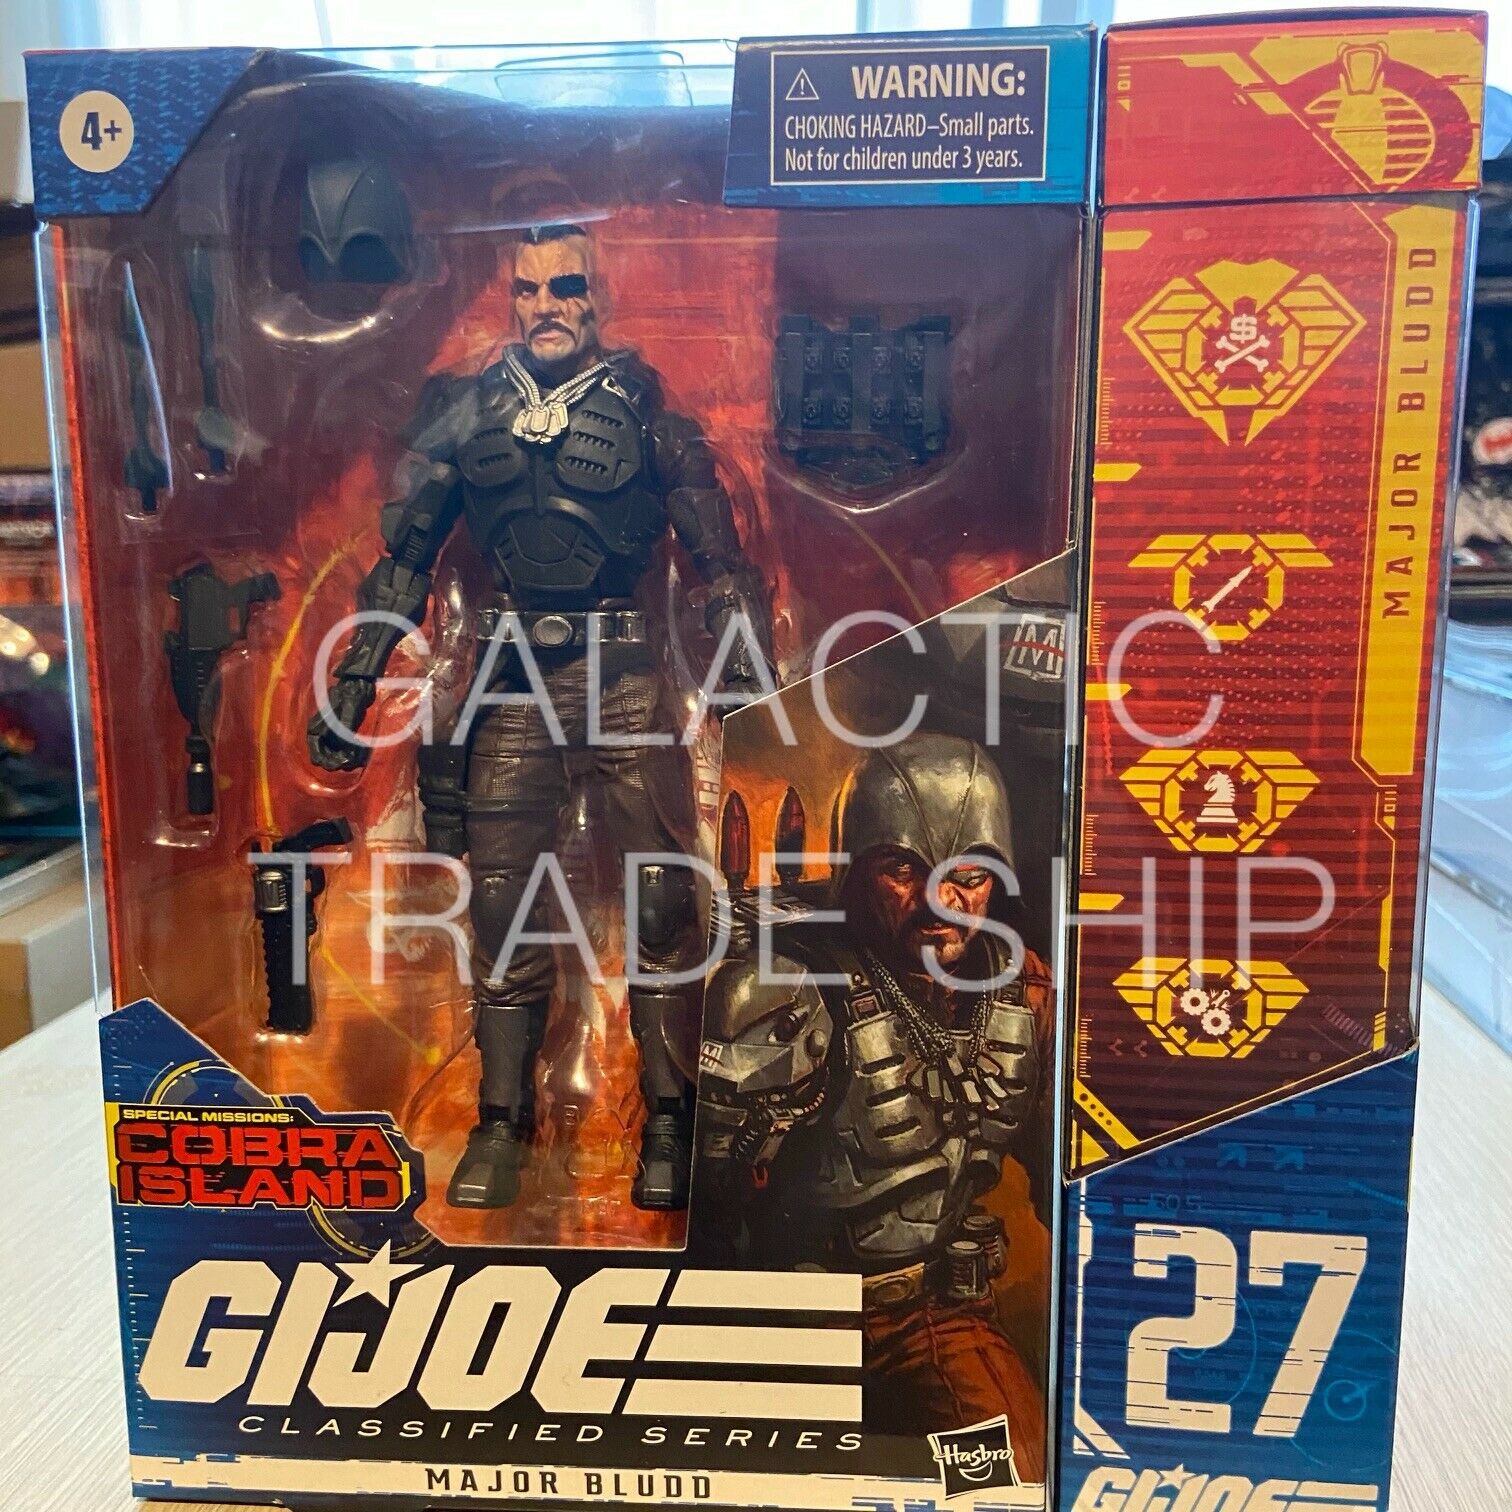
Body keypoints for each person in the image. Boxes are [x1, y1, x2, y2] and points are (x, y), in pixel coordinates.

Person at [308, 223, 770, 1211]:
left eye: (566, 286)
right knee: (503, 903)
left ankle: (671, 1120)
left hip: (626, 669)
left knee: (662, 901)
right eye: (529, 289)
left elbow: (719, 560)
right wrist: (352, 685)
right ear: (510, 298)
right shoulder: (469, 415)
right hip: (512, 671)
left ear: (599, 297)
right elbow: (405, 562)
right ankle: (502, 1121)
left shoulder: (648, 415)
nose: (547, 305)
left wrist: (752, 677)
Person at [698, 732, 1050, 1479]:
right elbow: (708, 1204)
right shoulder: (786, 988)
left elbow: (1065, 1180)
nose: (940, 903)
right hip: (792, 1314)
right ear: (859, 872)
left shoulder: (1026, 994)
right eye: (903, 871)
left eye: (968, 876)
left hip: (937, 1315)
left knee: (1010, 1473)